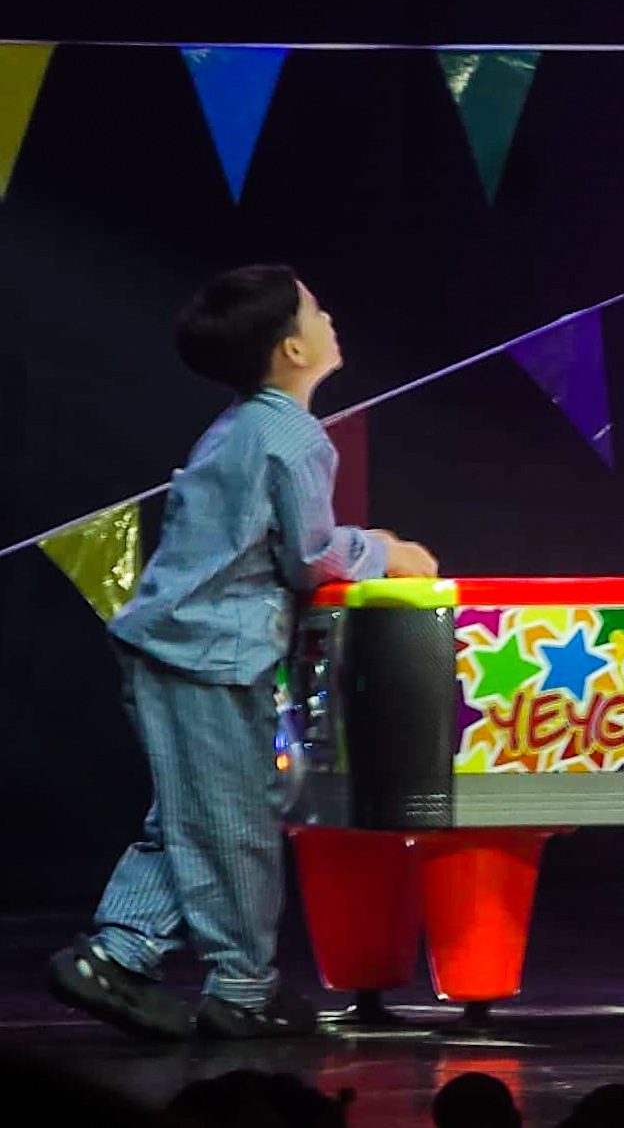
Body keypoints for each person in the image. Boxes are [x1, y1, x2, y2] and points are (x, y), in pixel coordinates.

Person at [46, 265, 436, 1040]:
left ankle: (118, 953)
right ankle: (243, 987)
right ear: (294, 347)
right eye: (318, 309)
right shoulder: (289, 434)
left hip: (179, 645)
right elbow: (310, 556)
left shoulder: (239, 425)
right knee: (238, 825)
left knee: (194, 817)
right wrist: (383, 550)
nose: (332, 318)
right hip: (208, 654)